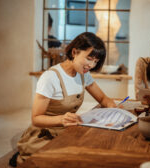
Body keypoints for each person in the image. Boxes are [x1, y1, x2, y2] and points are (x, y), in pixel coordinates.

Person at [11, 32, 117, 166]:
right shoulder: (50, 77)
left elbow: (102, 98)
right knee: (70, 160)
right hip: (43, 135)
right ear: (74, 52)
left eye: (96, 61)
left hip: (67, 131)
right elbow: (36, 118)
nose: (92, 65)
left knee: (98, 148)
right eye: (89, 58)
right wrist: (61, 119)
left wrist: (112, 106)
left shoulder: (84, 74)